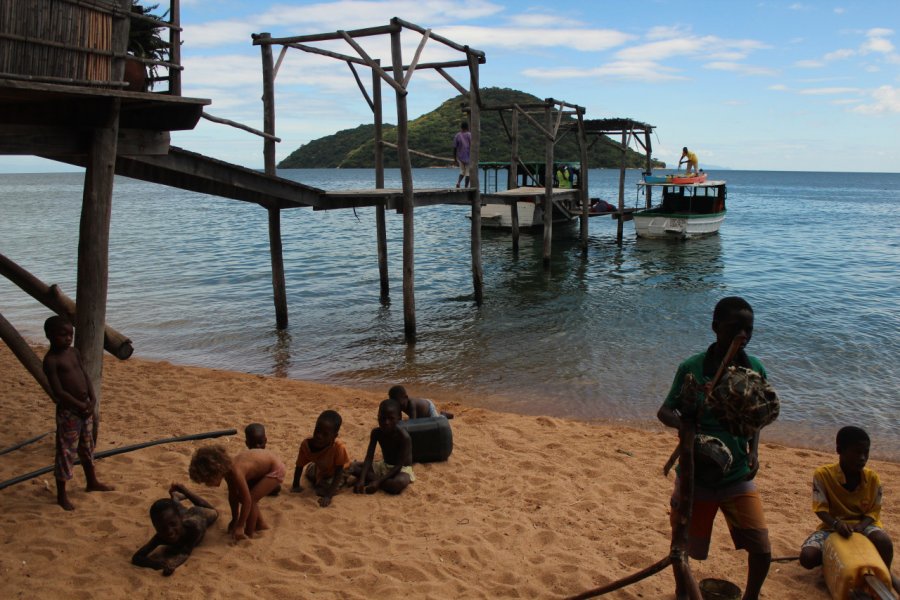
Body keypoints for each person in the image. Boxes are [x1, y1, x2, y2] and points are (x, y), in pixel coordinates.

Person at [657, 297, 771, 600]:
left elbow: (756, 419)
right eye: (736, 329)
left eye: (749, 330)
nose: (743, 337)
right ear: (715, 328)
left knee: (761, 547)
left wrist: (754, 450)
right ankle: (686, 594)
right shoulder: (693, 368)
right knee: (683, 550)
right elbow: (665, 411)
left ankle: (751, 597)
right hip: (697, 473)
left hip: (737, 474)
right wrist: (686, 425)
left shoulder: (754, 369)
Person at [799, 426, 900, 593]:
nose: (862, 458)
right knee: (807, 558)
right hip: (832, 527)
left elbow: (873, 512)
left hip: (863, 525)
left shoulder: (872, 478)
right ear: (840, 450)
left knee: (883, 541)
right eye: (857, 453)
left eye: (865, 453)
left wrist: (861, 527)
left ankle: (886, 571)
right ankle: (829, 563)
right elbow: (820, 508)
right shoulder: (823, 475)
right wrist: (837, 524)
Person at [42, 315, 114, 511]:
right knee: (66, 452)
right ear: (49, 336)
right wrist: (78, 405)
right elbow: (59, 392)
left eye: (70, 334)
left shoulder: (74, 352)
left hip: (85, 407)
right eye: (62, 335)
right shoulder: (51, 360)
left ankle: (92, 482)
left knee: (87, 446)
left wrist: (92, 398)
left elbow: (84, 375)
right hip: (69, 412)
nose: (67, 338)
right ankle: (61, 494)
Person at [188, 444, 284, 541]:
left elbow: (248, 501)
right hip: (263, 466)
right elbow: (233, 495)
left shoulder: (236, 472)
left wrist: (240, 526)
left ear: (216, 471)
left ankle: (249, 533)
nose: (208, 485)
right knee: (243, 497)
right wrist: (235, 518)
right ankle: (260, 524)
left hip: (275, 469)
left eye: (207, 481)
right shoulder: (228, 471)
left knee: (252, 499)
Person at [131, 483, 218, 576]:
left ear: (180, 520)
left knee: (214, 512)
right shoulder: (160, 535)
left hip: (199, 514)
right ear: (156, 528)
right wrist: (156, 564)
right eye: (162, 528)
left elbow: (185, 552)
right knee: (176, 511)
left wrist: (171, 565)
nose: (169, 532)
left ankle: (184, 491)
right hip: (181, 516)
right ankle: (176, 498)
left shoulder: (194, 529)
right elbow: (136, 557)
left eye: (173, 525)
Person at [351, 398, 414, 495]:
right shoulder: (376, 432)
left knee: (398, 483)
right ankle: (375, 480)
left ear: (399, 418)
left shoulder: (404, 437)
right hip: (384, 465)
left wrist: (378, 482)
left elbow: (399, 465)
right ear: (378, 416)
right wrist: (362, 480)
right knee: (352, 467)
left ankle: (374, 480)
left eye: (391, 418)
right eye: (382, 418)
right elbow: (369, 457)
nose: (386, 422)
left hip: (401, 469)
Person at [290, 410, 350, 507]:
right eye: (317, 431)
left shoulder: (338, 447)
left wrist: (328, 496)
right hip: (321, 468)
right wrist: (295, 485)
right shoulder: (306, 445)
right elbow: (299, 465)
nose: (319, 436)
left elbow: (338, 473)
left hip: (339, 471)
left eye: (325, 434)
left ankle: (354, 469)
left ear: (334, 436)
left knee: (321, 490)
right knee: (309, 473)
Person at [245, 423, 280, 496]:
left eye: (260, 443)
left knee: (276, 488)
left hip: (263, 481)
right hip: (251, 482)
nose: (257, 446)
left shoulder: (268, 456)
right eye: (254, 444)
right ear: (247, 443)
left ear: (265, 441)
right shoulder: (246, 457)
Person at [388, 385, 453, 419]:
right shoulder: (399, 404)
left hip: (428, 409)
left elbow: (413, 422)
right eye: (394, 404)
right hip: (420, 412)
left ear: (406, 397)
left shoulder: (411, 404)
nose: (396, 406)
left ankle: (444, 415)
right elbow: (398, 418)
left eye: (399, 404)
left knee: (437, 420)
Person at [453, 121, 472, 188]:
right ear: (467, 127)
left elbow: (455, 147)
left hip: (460, 157)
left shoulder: (457, 135)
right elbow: (472, 146)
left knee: (462, 171)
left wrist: (455, 158)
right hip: (469, 156)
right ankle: (466, 187)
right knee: (468, 173)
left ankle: (458, 182)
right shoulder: (469, 135)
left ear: (461, 127)